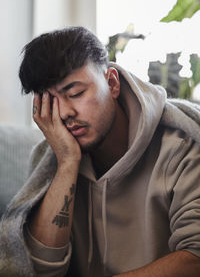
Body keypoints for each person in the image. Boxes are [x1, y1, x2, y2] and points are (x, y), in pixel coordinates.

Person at [0, 26, 200, 277]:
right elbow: (35, 269)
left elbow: (195, 258)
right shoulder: (52, 159)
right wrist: (67, 162)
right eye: (50, 102)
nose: (64, 113)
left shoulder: (181, 146)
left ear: (112, 83)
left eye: (75, 93)